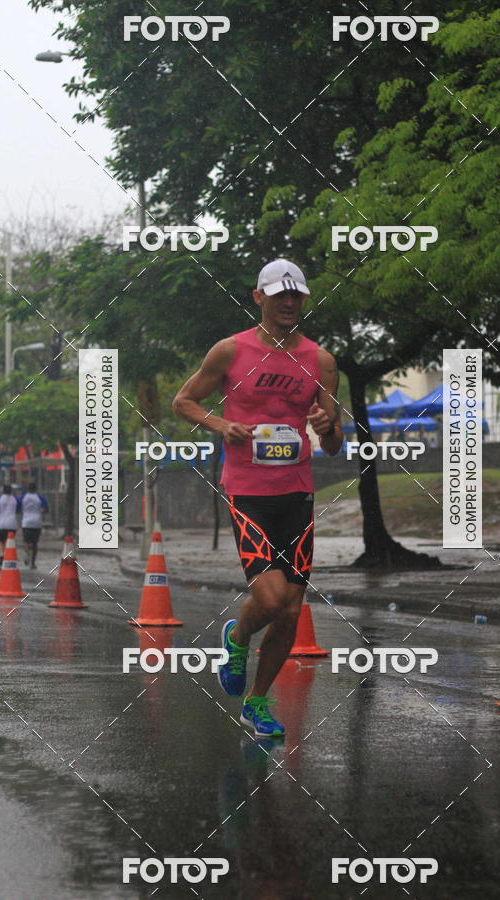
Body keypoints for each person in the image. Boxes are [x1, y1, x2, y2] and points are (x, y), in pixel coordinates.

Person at [173, 258, 343, 738]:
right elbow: (183, 401)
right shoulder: (230, 351)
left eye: (297, 296)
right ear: (259, 297)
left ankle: (258, 702)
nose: (289, 303)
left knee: (291, 609)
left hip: (299, 491)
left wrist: (330, 428)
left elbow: (332, 442)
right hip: (247, 489)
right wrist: (221, 424)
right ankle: (238, 635)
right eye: (279, 295)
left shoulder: (322, 361)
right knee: (268, 597)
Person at [20, 481, 49, 569]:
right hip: (37, 523)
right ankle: (33, 563)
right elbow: (46, 509)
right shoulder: (40, 498)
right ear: (35, 489)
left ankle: (27, 554)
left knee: (26, 542)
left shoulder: (23, 497)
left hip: (26, 523)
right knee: (35, 543)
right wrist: (41, 511)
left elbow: (17, 507)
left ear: (27, 488)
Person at [0, 483, 20, 567]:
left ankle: (2, 555)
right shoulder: (15, 499)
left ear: (3, 490)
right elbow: (18, 510)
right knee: (9, 541)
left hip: (0, 523)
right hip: (12, 523)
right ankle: (8, 557)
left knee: (0, 541)